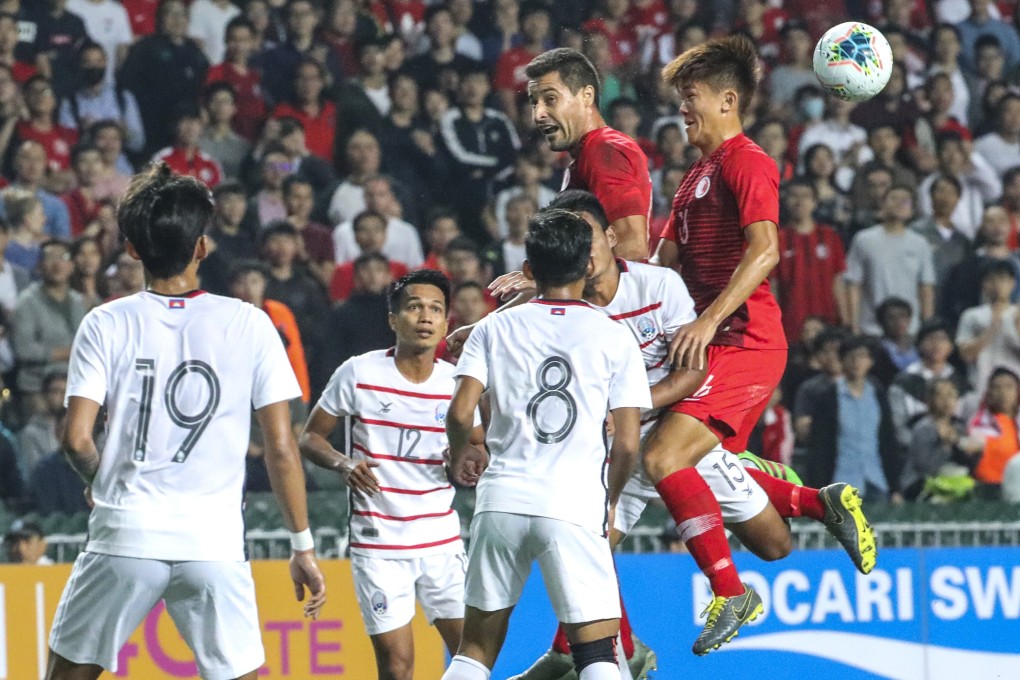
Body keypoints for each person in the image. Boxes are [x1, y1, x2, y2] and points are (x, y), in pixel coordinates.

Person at [46, 163, 326, 680]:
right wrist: (302, 546)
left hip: (125, 535)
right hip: (213, 541)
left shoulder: (105, 321)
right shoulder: (250, 322)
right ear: (201, 247)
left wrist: (99, 481)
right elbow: (283, 449)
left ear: (131, 248)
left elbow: (76, 437)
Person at [648, 35, 875, 653]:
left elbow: (767, 249)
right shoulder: (693, 176)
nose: (681, 110)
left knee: (663, 457)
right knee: (744, 511)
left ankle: (729, 592)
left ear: (728, 100)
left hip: (745, 338)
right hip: (701, 343)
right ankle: (815, 501)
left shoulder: (747, 160)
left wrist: (707, 318)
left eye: (690, 98)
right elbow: (660, 262)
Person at [441, 208, 650, 680]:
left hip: (502, 501)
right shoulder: (615, 336)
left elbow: (460, 411)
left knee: (473, 652)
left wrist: (463, 452)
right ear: (589, 266)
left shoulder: (493, 327)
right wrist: (610, 500)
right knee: (597, 655)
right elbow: (629, 443)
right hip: (574, 505)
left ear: (529, 270)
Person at [300, 269, 478, 680]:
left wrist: (471, 456)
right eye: (414, 307)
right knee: (398, 668)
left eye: (436, 309)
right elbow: (310, 439)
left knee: (471, 656)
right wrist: (344, 464)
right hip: (380, 546)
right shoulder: (359, 373)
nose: (426, 317)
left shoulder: (457, 383)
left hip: (441, 542)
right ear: (392, 319)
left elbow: (478, 444)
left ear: (447, 322)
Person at [526, 48, 651, 260]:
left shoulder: (604, 148)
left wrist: (559, 283)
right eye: (534, 103)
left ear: (587, 95)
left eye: (550, 99)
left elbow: (631, 247)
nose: (538, 114)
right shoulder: (585, 156)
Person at [845, 185, 936, 336]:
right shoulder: (864, 239)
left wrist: (927, 327)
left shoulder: (920, 244)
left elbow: (925, 288)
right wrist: (853, 325)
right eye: (893, 198)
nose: (899, 203)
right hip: (871, 328)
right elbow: (853, 284)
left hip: (910, 329)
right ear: (882, 204)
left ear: (912, 210)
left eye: (905, 201)